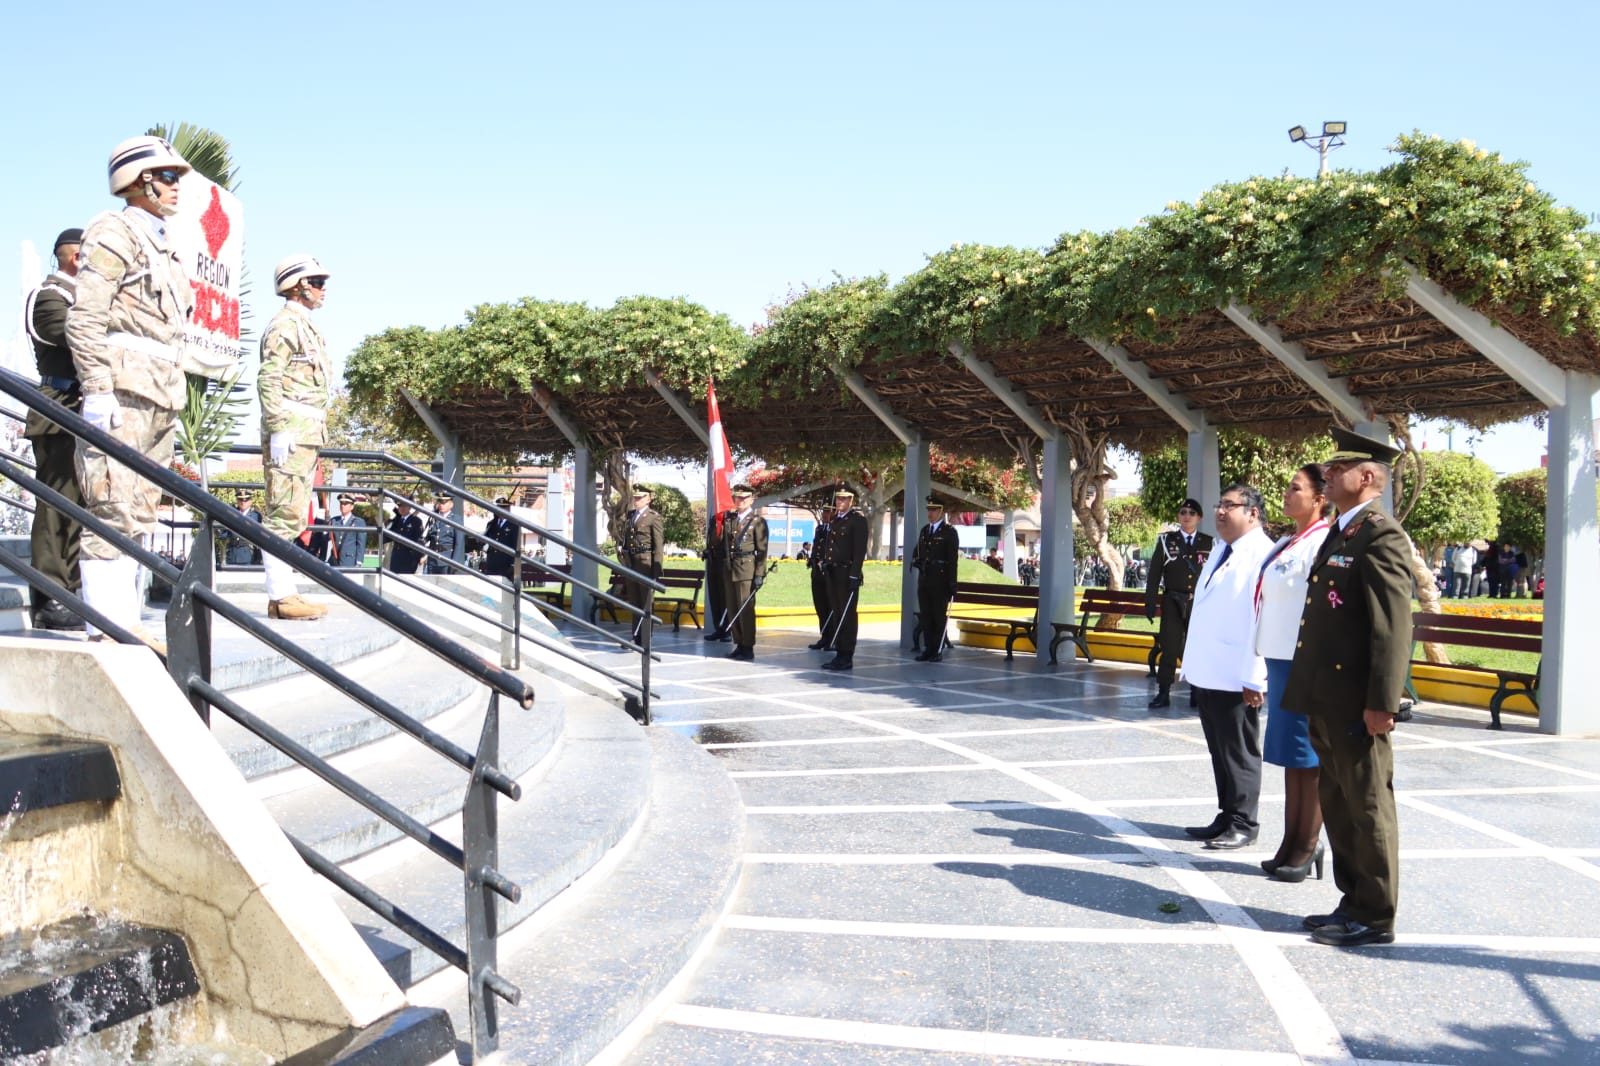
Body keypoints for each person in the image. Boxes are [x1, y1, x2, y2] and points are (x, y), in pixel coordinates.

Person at [1282, 427, 1412, 948]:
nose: (1328, 476)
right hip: (1326, 695)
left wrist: (1382, 703)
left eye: (1338, 470)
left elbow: (1391, 628)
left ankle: (1376, 914)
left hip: (1357, 701)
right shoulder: (1342, 532)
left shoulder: (1381, 536)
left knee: (1368, 805)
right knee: (1338, 801)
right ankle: (1351, 898)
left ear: (1367, 476)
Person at [65, 136, 195, 648]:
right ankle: (107, 626)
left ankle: (128, 621)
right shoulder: (114, 230)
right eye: (167, 177)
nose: (175, 186)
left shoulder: (163, 245)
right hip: (121, 391)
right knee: (110, 506)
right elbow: (86, 317)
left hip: (161, 394)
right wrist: (97, 391)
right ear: (138, 182)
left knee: (140, 509)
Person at [1179, 483, 1274, 850]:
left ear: (1252, 513)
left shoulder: (1262, 554)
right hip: (1210, 670)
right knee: (1219, 748)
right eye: (1219, 505)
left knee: (1239, 749)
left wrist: (1256, 676)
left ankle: (1244, 822)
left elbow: (1262, 618)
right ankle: (1226, 813)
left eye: (1229, 506)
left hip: (1237, 673)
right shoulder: (1222, 549)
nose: (1220, 511)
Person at [1253, 465, 1334, 882]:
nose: (1286, 494)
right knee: (1290, 757)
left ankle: (1308, 843)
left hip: (1306, 661)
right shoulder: (1288, 542)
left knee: (1309, 756)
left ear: (1320, 498)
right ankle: (1291, 840)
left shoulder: (1323, 542)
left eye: (1295, 489)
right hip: (1279, 659)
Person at [257, 254, 333, 620]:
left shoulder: (305, 326)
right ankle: (280, 596)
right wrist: (278, 427)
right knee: (282, 514)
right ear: (298, 285)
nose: (323, 289)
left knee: (293, 514)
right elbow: (269, 378)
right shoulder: (285, 326)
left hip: (305, 431)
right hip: (290, 430)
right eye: (317, 282)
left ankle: (285, 593)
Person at [22, 227, 86, 631]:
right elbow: (75, 336)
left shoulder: (81, 300)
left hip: (83, 413)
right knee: (55, 508)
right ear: (74, 258)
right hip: (59, 409)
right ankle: (49, 595)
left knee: (79, 509)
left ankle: (71, 592)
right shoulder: (49, 298)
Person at [1144, 498, 1214, 708]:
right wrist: (1150, 604)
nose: (1187, 516)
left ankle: (1197, 691)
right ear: (1178, 516)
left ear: (1199, 518)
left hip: (1198, 604)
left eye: (1191, 514)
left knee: (1196, 648)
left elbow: (1215, 576)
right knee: (1170, 647)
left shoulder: (1209, 543)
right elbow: (1155, 574)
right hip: (1172, 600)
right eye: (1183, 512)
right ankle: (1163, 692)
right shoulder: (1167, 541)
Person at [820, 487, 868, 671]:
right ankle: (839, 652)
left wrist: (855, 574)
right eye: (838, 499)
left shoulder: (857, 521)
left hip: (847, 573)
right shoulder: (836, 520)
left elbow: (859, 550)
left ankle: (846, 654)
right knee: (837, 613)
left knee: (847, 615)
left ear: (851, 501)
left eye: (843, 499)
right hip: (833, 572)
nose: (839, 502)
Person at [720, 484, 768, 660]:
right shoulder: (730, 519)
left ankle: (748, 646)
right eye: (737, 498)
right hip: (731, 568)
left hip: (747, 568)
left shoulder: (757, 522)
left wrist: (759, 574)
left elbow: (762, 550)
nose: (740, 501)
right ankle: (739, 643)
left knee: (745, 609)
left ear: (751, 500)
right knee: (733, 608)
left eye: (744, 498)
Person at [912, 496, 960, 662]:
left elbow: (953, 560)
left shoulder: (949, 532)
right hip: (925, 577)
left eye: (933, 510)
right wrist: (916, 561)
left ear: (941, 511)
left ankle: (937, 649)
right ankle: (928, 648)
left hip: (940, 579)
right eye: (929, 510)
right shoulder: (925, 530)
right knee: (926, 615)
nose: (930, 513)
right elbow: (918, 550)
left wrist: (952, 582)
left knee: (938, 616)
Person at [618, 487, 664, 640]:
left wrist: (656, 570)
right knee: (635, 601)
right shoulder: (631, 515)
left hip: (646, 562)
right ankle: (635, 635)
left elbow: (658, 545)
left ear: (648, 499)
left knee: (646, 602)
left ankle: (645, 637)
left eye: (640, 498)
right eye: (635, 497)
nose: (636, 500)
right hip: (632, 562)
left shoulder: (653, 517)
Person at [807, 507, 834, 651]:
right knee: (821, 607)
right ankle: (824, 636)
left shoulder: (835, 528)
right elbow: (816, 547)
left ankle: (833, 638)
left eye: (828, 512)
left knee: (831, 607)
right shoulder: (820, 529)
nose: (825, 515)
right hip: (817, 573)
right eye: (824, 512)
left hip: (829, 573)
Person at [703, 508, 731, 642]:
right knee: (714, 598)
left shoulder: (731, 519)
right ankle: (718, 629)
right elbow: (711, 541)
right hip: (713, 563)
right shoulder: (714, 519)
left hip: (724, 564)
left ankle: (726, 630)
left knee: (724, 598)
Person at [476, 496, 522, 579]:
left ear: (508, 509)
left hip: (506, 562)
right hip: (492, 561)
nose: (502, 510)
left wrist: (513, 564)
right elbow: (484, 540)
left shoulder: (514, 525)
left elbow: (516, 545)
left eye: (504, 507)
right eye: (500, 507)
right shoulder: (491, 524)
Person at [220, 490, 264, 565]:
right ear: (237, 501)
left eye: (246, 500)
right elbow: (224, 534)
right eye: (240, 500)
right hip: (232, 553)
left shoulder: (256, 516)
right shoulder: (232, 514)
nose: (243, 502)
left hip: (248, 553)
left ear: (250, 502)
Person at [386, 499, 425, 575]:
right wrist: (394, 518)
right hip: (396, 555)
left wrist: (419, 556)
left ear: (409, 507)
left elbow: (418, 539)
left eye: (405, 506)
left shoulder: (416, 521)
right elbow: (387, 535)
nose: (402, 508)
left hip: (409, 556)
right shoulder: (396, 520)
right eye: (400, 506)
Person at [328, 494, 367, 569]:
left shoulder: (358, 522)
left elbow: (361, 544)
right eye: (341, 503)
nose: (343, 506)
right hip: (334, 560)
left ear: (352, 507)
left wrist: (359, 562)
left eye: (346, 504)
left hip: (349, 561)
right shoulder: (334, 521)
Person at [425, 493, 458, 574]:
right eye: (440, 502)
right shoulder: (433, 518)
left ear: (451, 504)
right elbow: (427, 537)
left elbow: (458, 543)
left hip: (446, 560)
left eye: (444, 503)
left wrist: (455, 562)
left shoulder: (455, 519)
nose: (441, 505)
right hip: (432, 559)